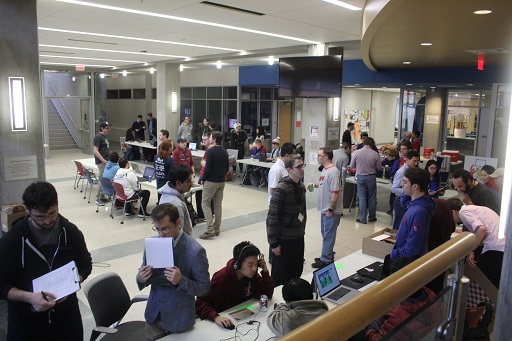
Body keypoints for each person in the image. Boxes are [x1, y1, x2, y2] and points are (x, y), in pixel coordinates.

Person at [0, 182, 92, 341]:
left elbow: (85, 265)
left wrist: (73, 282)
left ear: (57, 205)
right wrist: (30, 297)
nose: (48, 221)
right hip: (26, 323)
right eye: (39, 217)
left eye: (52, 213)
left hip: (67, 318)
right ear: (27, 210)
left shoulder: (70, 232)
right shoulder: (12, 241)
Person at [136, 203, 210, 339]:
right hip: (154, 316)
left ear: (177, 223)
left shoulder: (195, 251)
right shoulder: (153, 244)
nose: (160, 234)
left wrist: (181, 281)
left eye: (165, 229)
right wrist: (141, 278)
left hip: (179, 320)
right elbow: (143, 275)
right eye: (157, 229)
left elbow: (204, 288)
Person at [195, 241, 274, 328]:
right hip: (223, 321)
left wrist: (265, 272)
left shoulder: (251, 275)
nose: (254, 269)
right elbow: (200, 302)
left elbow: (267, 294)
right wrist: (215, 317)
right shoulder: (221, 278)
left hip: (242, 318)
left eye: (256, 264)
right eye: (250, 265)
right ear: (238, 264)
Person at [266, 156, 307, 286]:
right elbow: (272, 217)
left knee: (296, 272)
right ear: (289, 169)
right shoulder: (281, 189)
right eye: (298, 167)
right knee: (280, 276)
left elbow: (303, 212)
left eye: (303, 165)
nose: (302, 169)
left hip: (298, 238)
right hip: (284, 240)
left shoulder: (301, 187)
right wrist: (273, 243)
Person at [447, 198, 505, 288]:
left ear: (454, 211)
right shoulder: (474, 209)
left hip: (494, 249)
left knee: (480, 285)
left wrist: (471, 249)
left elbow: (482, 229)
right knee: (494, 287)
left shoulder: (463, 212)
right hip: (502, 248)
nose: (452, 221)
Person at [390, 168, 436, 262]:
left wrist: (394, 254)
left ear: (415, 187)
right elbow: (403, 203)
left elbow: (412, 248)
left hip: (406, 261)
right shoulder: (413, 204)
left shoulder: (419, 212)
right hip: (403, 257)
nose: (401, 185)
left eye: (405, 182)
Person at [311, 147, 344, 268]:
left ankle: (326, 259)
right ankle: (327, 254)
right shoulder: (325, 170)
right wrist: (315, 185)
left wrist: (331, 209)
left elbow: (336, 192)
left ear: (326, 157)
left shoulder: (333, 172)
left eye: (319, 155)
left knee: (329, 234)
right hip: (324, 209)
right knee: (325, 233)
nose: (317, 157)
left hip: (330, 211)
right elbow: (326, 187)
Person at [199, 131, 229, 239]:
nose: (209, 138)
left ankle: (209, 229)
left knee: (205, 203)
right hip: (221, 181)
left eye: (211, 137)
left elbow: (208, 168)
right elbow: (227, 168)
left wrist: (203, 178)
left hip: (211, 181)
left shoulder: (211, 151)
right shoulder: (224, 152)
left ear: (214, 139)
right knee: (218, 205)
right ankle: (217, 229)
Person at [350, 138, 383, 224]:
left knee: (362, 197)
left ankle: (362, 218)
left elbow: (351, 165)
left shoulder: (356, 153)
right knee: (372, 197)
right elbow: (379, 167)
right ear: (372, 144)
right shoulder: (375, 154)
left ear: (363, 143)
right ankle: (372, 217)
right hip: (371, 177)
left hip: (360, 176)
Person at [158, 165, 194, 236]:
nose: (191, 183)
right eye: (188, 181)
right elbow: (177, 235)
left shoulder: (166, 194)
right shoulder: (176, 204)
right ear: (178, 183)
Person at [391, 151, 420, 230]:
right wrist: (407, 192)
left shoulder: (413, 171)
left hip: (408, 200)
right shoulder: (401, 172)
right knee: (398, 226)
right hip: (400, 201)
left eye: (417, 161)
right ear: (407, 160)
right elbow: (394, 188)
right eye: (414, 161)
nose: (416, 163)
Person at [195, 132, 213, 221]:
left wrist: (203, 163)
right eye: (203, 140)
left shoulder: (211, 150)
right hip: (203, 174)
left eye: (205, 140)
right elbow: (203, 161)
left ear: (210, 139)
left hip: (205, 176)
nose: (203, 141)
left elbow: (207, 164)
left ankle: (208, 214)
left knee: (206, 196)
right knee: (199, 194)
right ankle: (201, 214)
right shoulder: (207, 150)